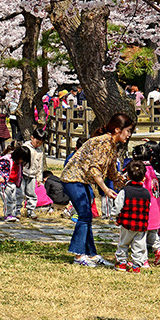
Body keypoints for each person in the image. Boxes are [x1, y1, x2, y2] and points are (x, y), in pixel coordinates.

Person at [60, 113, 134, 267]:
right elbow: (95, 169)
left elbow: (112, 171)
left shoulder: (112, 145)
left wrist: (126, 181)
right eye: (127, 131)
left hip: (82, 181)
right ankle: (79, 255)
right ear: (117, 130)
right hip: (73, 179)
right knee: (84, 215)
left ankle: (91, 254)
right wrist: (106, 190)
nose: (129, 135)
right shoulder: (103, 142)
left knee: (87, 217)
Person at [112, 160, 152, 272]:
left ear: (128, 177)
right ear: (144, 178)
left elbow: (118, 205)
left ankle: (121, 263)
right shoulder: (146, 193)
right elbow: (148, 207)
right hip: (141, 225)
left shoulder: (125, 191)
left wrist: (115, 216)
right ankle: (136, 265)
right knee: (139, 246)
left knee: (123, 244)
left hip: (127, 224)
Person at [21, 128, 46, 218]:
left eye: (40, 143)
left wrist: (39, 177)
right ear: (32, 138)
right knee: (20, 193)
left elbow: (40, 165)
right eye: (37, 142)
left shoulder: (40, 151)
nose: (38, 144)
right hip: (23, 173)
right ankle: (16, 210)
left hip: (32, 175)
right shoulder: (25, 147)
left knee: (31, 193)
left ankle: (30, 210)